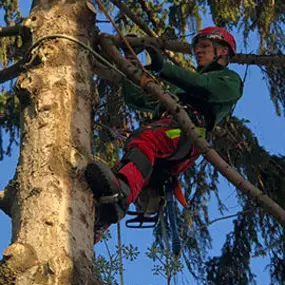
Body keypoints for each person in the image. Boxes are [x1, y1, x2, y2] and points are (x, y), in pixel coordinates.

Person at [85, 27, 243, 236]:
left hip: (186, 133)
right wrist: (130, 63)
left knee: (147, 137)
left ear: (222, 51)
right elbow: (140, 99)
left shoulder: (229, 80)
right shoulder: (180, 92)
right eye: (196, 48)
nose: (198, 51)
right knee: (124, 168)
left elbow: (204, 86)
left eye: (204, 46)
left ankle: (120, 196)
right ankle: (96, 220)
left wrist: (163, 67)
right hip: (168, 137)